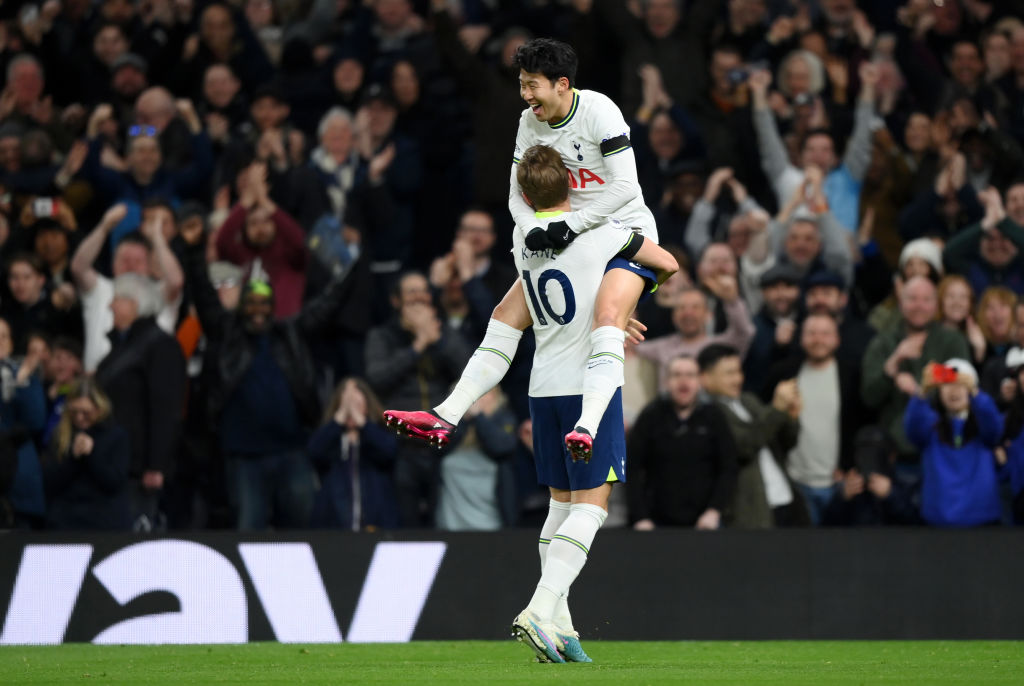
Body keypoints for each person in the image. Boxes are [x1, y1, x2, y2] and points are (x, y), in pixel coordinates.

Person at [384, 38, 677, 460]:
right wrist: (532, 230)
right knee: (504, 316)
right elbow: (515, 193)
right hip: (570, 236)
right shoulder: (529, 121)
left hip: (624, 233)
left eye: (532, 85)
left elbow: (626, 187)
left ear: (561, 84)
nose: (525, 95)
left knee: (609, 316)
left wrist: (570, 225)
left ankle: (587, 427)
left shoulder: (599, 111)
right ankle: (445, 415)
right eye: (521, 84)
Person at [495, 144, 648, 663]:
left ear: (522, 193)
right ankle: (540, 608)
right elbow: (663, 260)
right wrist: (623, 303)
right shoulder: (597, 233)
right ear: (575, 185)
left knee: (561, 505)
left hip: (542, 386)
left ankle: (560, 628)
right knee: (591, 506)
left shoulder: (521, 239)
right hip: (589, 383)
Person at [94, 274, 186, 531]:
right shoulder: (123, 348)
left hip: (138, 469)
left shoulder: (159, 345)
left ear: (135, 303)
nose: (110, 306)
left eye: (116, 300)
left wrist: (157, 465)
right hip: (114, 465)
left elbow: (165, 409)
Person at [762, 313, 869, 525]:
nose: (818, 339)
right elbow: (767, 422)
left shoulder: (851, 376)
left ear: (837, 339)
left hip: (837, 484)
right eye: (811, 333)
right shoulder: (783, 374)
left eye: (825, 333)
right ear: (801, 338)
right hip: (794, 483)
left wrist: (850, 466)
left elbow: (860, 425)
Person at [862, 276, 973, 462]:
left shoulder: (952, 341)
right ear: (901, 302)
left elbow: (962, 384)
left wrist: (919, 390)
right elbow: (868, 397)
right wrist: (892, 366)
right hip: (895, 454)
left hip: (943, 450)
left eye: (926, 299)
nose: (919, 306)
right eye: (912, 298)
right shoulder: (882, 343)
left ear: (936, 304)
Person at [698, 343, 807, 529]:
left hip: (784, 498)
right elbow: (743, 446)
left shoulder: (749, 401)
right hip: (751, 509)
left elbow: (786, 442)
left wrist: (791, 416)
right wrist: (777, 409)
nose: (738, 379)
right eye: (729, 373)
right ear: (706, 378)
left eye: (739, 371)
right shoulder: (707, 413)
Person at [627, 355, 737, 530]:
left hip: (705, 522)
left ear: (699, 380)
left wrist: (714, 510)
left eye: (690, 375)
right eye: (677, 375)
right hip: (656, 523)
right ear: (667, 381)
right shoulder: (650, 416)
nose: (683, 381)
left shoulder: (714, 416)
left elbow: (728, 467)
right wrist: (640, 517)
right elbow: (631, 469)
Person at [904, 359, 1005, 527]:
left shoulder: (982, 426)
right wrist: (921, 394)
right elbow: (912, 430)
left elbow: (994, 426)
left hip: (983, 522)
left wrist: (977, 395)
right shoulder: (930, 425)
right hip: (937, 522)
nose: (954, 390)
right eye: (947, 384)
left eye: (960, 384)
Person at [308, 377, 399, 531]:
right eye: (346, 407)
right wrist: (340, 416)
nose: (351, 411)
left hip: (376, 525)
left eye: (356, 405)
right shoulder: (331, 439)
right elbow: (314, 450)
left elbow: (389, 451)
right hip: (334, 527)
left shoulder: (378, 434)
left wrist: (361, 422)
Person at [42, 379, 132, 530]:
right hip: (66, 521)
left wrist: (92, 454)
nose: (79, 418)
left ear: (99, 408)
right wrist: (73, 457)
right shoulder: (60, 435)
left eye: (86, 412)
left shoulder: (116, 435)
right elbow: (49, 481)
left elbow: (114, 482)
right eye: (74, 412)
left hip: (104, 522)